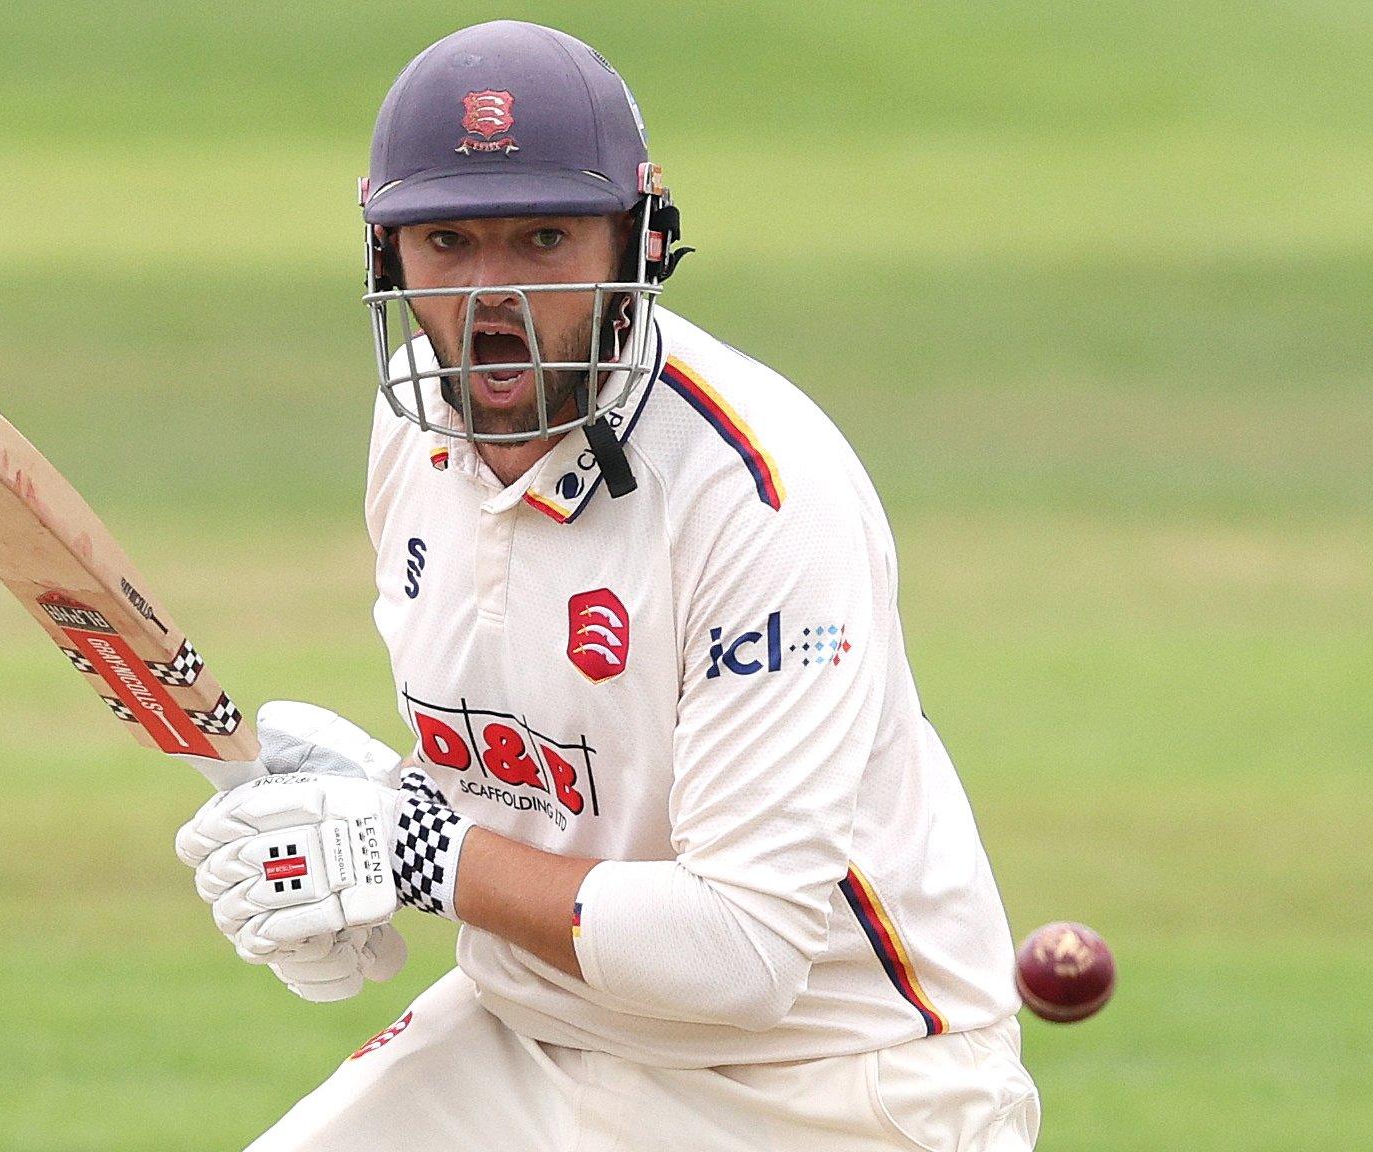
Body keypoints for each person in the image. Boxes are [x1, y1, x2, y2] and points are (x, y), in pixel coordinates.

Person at [174, 20, 1040, 1150]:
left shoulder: (758, 496)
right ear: (388, 256)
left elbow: (739, 956)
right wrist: (374, 817)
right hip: (534, 1033)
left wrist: (415, 854)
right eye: (445, 241)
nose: (494, 297)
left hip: (825, 1081)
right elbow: (570, 803)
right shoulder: (413, 433)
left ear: (637, 244)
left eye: (542, 238)